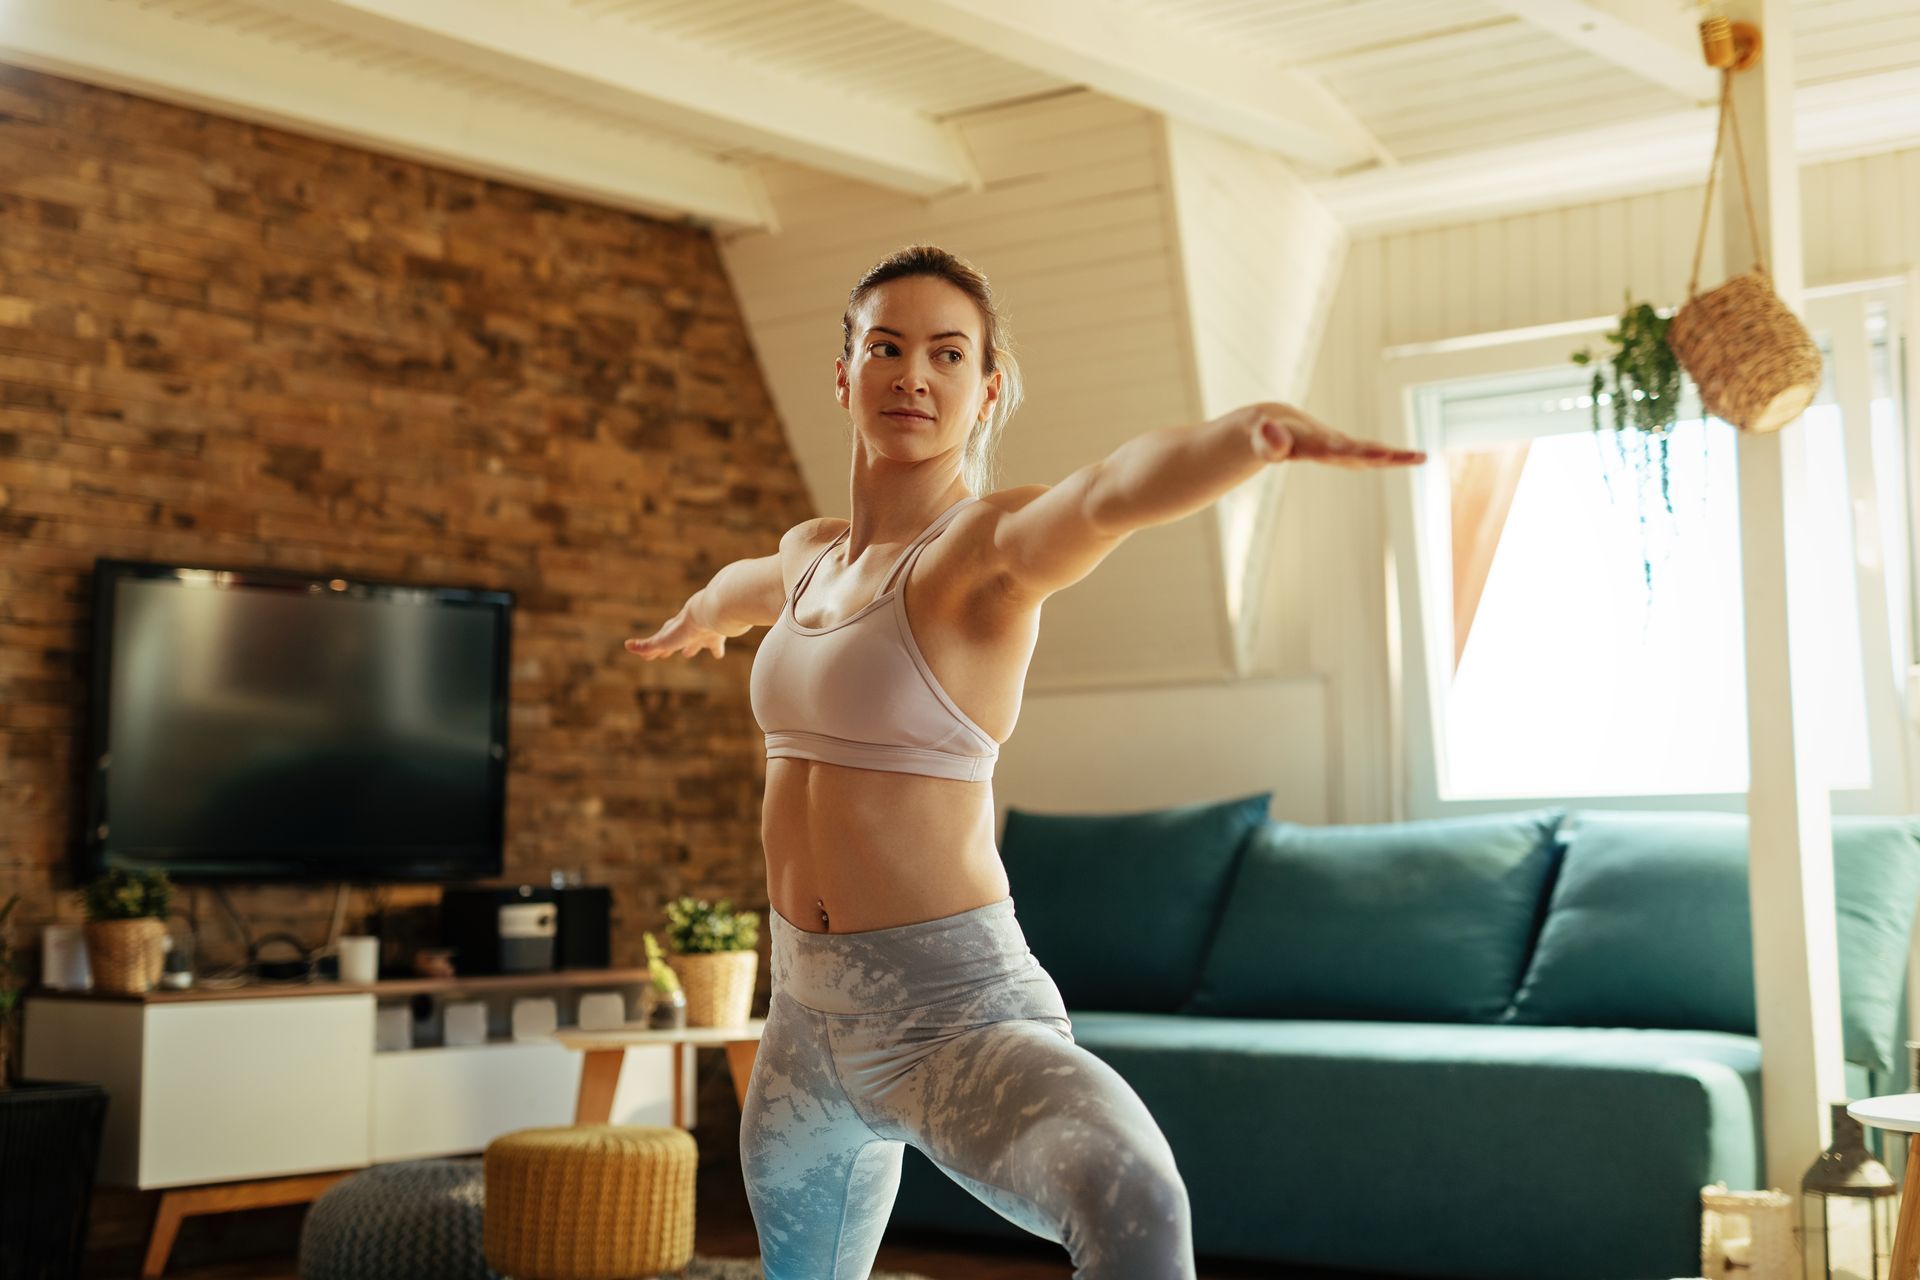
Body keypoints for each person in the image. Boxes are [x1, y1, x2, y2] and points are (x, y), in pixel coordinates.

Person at [625, 245, 1426, 1279]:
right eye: (889, 346)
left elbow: (1105, 496)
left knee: (1132, 1195)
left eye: (948, 354)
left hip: (950, 1016)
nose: (914, 373)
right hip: (801, 1028)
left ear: (986, 389)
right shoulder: (809, 556)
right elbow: (745, 586)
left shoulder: (985, 551)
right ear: (845, 373)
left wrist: (1246, 437)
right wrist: (701, 615)